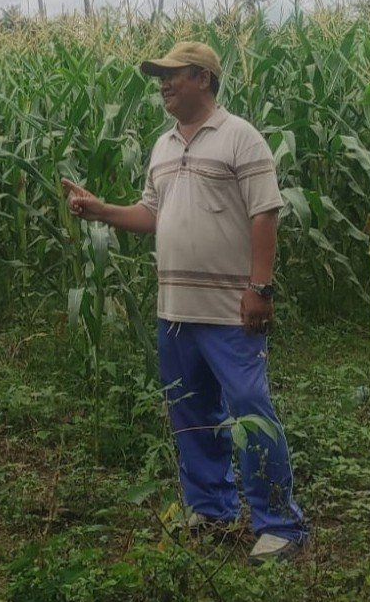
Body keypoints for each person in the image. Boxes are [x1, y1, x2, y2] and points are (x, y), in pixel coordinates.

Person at [62, 41, 307, 563]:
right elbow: (152, 213)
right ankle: (211, 511)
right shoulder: (164, 146)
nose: (163, 84)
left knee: (250, 409)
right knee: (190, 414)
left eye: (173, 75)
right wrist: (100, 209)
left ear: (203, 78)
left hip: (228, 309)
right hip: (174, 310)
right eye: (160, 76)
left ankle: (280, 524)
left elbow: (265, 214)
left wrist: (259, 289)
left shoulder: (241, 138)